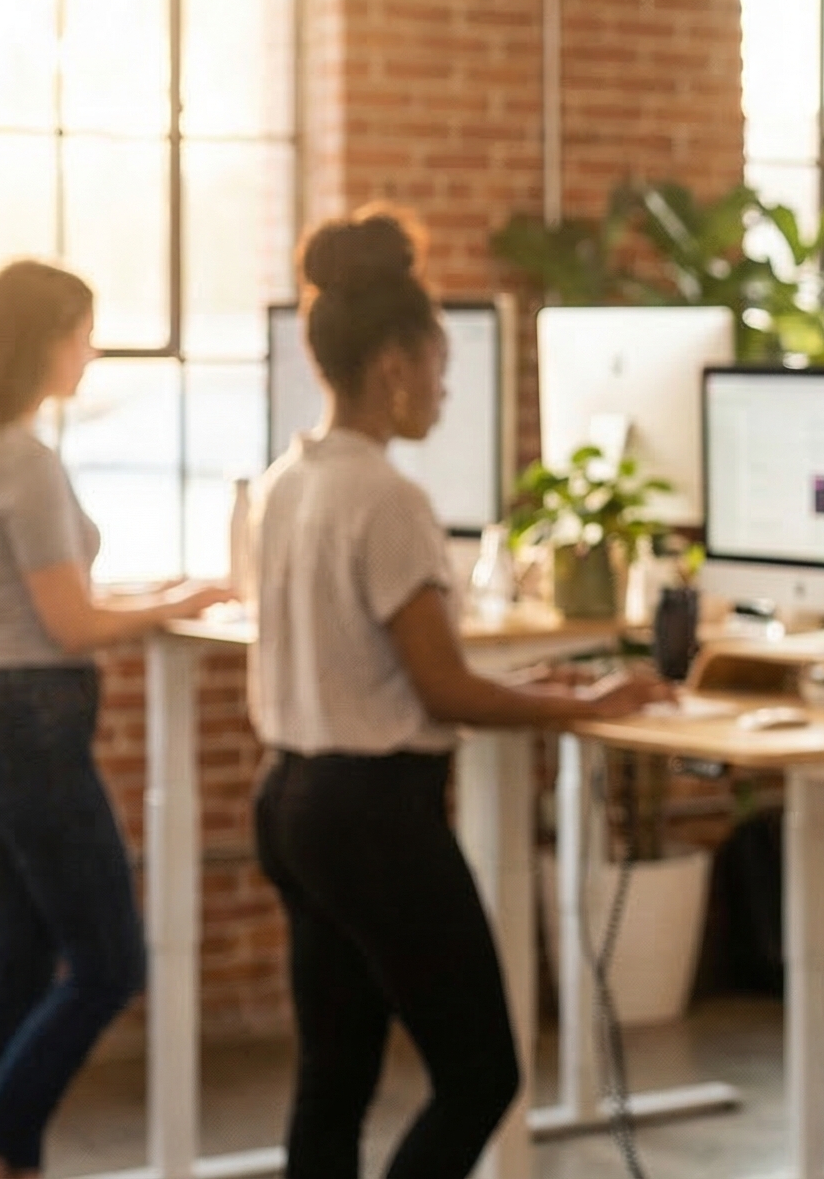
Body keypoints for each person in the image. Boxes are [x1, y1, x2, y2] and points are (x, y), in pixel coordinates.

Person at [248, 207, 672, 1179]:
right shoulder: (387, 499)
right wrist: (585, 706)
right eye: (440, 367)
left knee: (334, 1079)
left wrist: (530, 683)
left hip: (293, 801)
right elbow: (439, 692)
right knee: (481, 1072)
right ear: (395, 363)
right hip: (371, 815)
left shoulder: (285, 483)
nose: (443, 389)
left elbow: (378, 666)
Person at [0, 259, 234, 1179]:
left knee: (21, 956)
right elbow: (70, 624)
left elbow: (42, 600)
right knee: (108, 963)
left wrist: (157, 593)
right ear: (42, 341)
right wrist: (186, 600)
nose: (91, 353)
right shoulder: (24, 456)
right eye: (81, 334)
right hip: (27, 722)